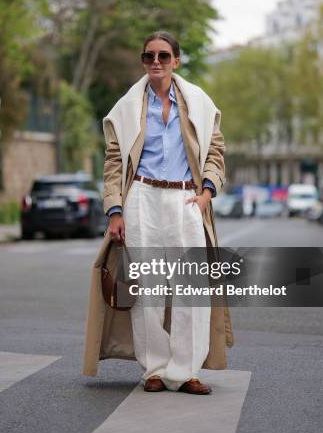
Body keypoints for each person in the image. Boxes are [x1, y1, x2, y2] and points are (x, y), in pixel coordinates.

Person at [82, 30, 234, 393]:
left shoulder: (198, 102)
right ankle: (153, 369)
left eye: (163, 56)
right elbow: (115, 162)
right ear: (143, 61)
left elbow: (215, 152)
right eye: (149, 56)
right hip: (142, 198)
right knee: (146, 287)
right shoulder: (127, 107)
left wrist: (206, 193)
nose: (155, 62)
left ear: (176, 61)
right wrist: (115, 210)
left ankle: (185, 371)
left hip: (185, 201)